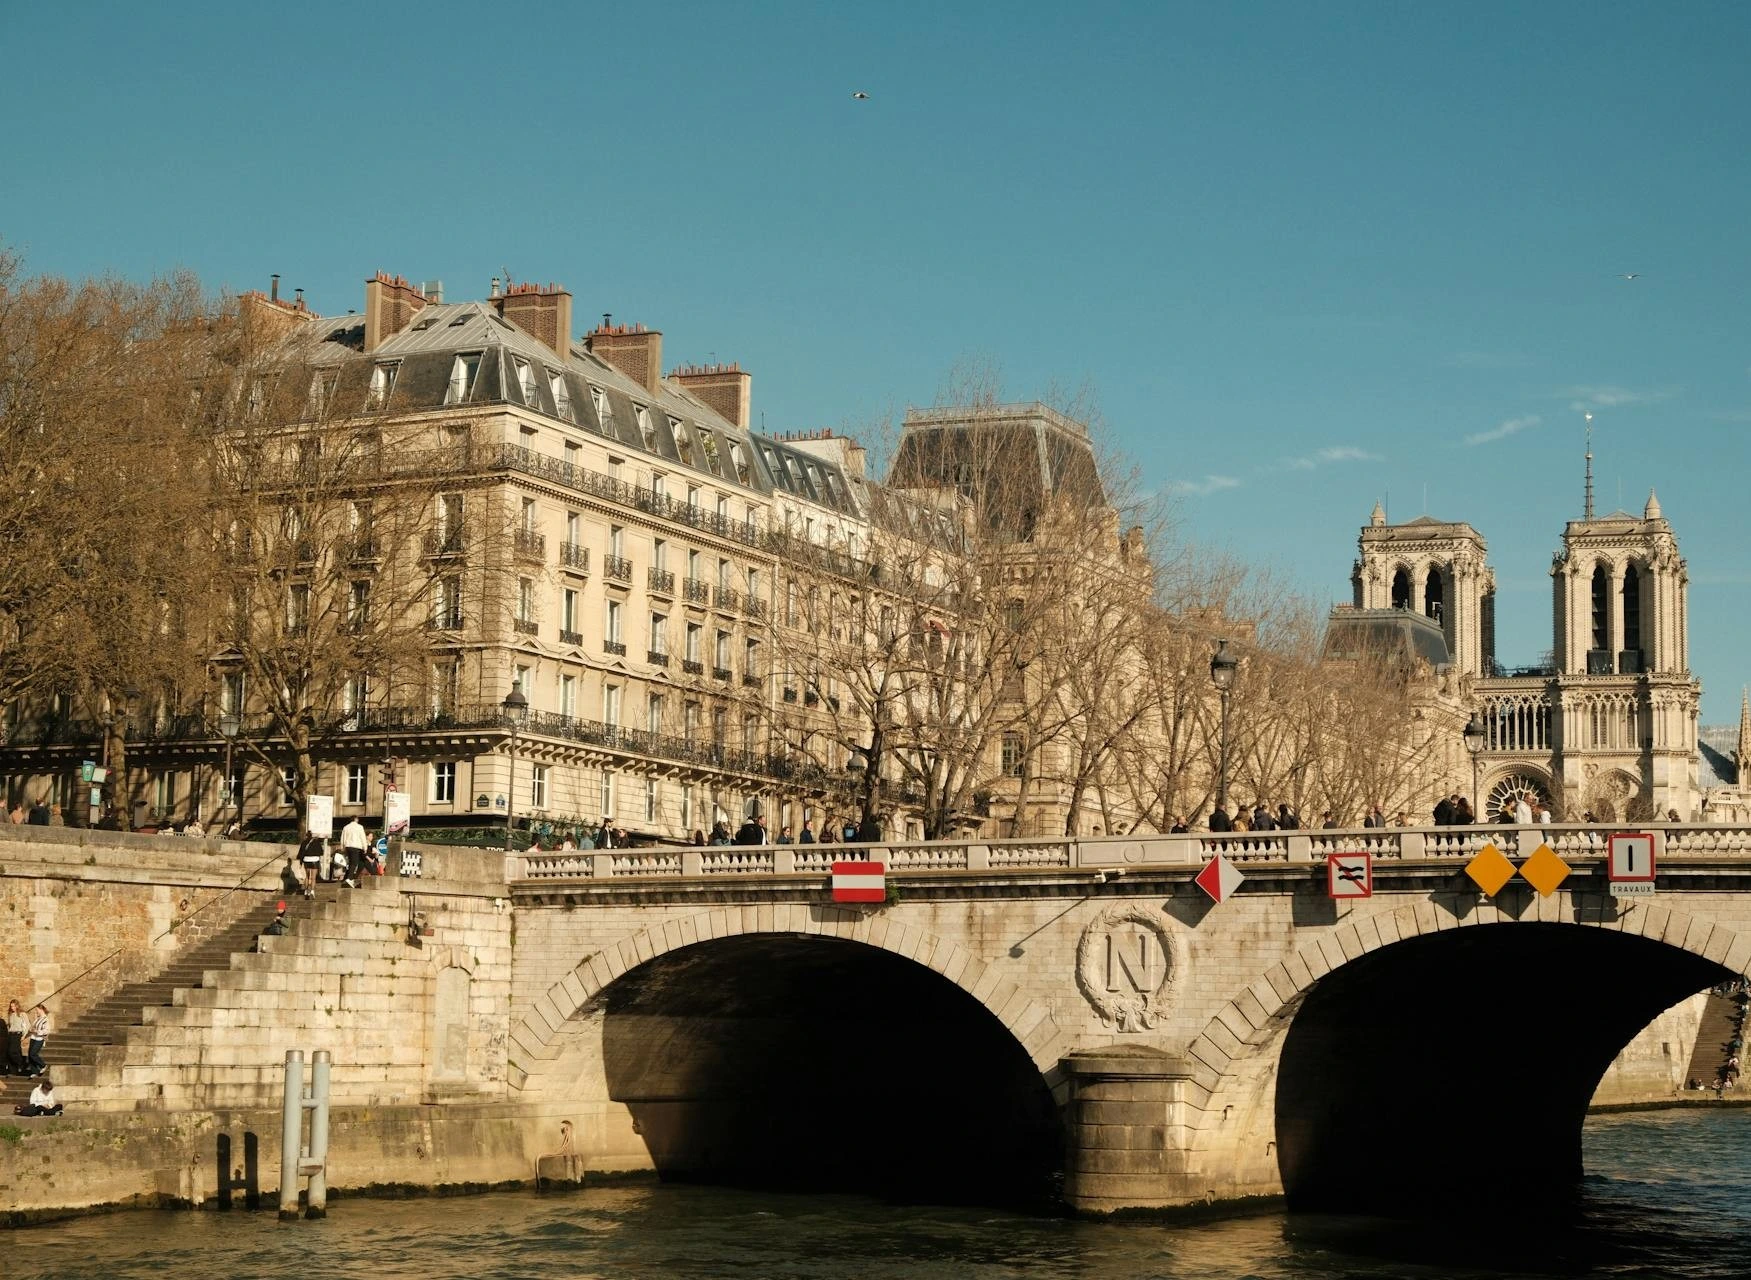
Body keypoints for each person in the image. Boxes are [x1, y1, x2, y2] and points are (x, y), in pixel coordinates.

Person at [339, 815, 368, 888]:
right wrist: (365, 847)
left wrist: (342, 847)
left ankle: (348, 878)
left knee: (350, 863)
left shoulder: (346, 827)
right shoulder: (360, 827)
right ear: (356, 819)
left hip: (348, 846)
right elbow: (362, 837)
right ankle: (349, 878)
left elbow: (343, 837)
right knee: (354, 863)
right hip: (356, 846)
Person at [3, 1000, 27, 1076]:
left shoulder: (22, 1014)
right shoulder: (11, 1015)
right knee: (9, 1053)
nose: (12, 1008)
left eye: (13, 1006)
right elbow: (9, 1026)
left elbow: (27, 1025)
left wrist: (24, 1035)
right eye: (11, 1006)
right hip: (10, 1035)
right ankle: (13, 1071)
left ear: (17, 1006)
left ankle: (21, 1063)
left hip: (17, 1035)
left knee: (12, 1051)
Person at [25, 1004, 50, 1076]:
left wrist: (37, 1031)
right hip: (33, 1038)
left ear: (41, 1009)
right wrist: (31, 1030)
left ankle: (43, 1065)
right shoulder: (38, 1019)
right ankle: (35, 1072)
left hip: (39, 1039)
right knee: (30, 1055)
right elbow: (32, 1027)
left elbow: (46, 1031)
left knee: (33, 1054)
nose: (36, 1011)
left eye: (37, 1010)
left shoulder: (45, 1019)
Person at [297, 831, 324, 898]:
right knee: (313, 878)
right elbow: (321, 852)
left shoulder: (304, 842)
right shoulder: (317, 842)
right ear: (312, 836)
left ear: (306, 836)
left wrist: (301, 862)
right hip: (315, 860)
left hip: (306, 860)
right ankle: (312, 891)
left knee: (307, 876)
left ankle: (306, 890)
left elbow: (301, 853)